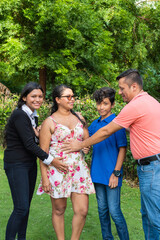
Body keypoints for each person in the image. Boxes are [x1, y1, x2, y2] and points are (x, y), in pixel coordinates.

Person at [62, 69, 160, 240]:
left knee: (153, 218)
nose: (120, 92)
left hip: (150, 167)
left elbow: (107, 131)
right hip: (149, 166)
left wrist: (81, 144)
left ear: (134, 86)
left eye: (122, 88)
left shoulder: (135, 105)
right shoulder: (150, 102)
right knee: (147, 215)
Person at [3, 82, 68, 240]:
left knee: (25, 208)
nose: (38, 99)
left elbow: (34, 140)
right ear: (24, 97)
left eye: (40, 96)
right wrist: (52, 160)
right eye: (33, 96)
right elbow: (29, 144)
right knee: (21, 208)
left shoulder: (34, 115)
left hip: (29, 164)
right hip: (16, 164)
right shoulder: (20, 115)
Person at [37, 84, 95, 240]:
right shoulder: (49, 122)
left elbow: (86, 140)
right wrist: (45, 178)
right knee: (59, 209)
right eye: (68, 96)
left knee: (82, 210)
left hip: (79, 170)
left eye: (73, 96)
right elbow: (42, 154)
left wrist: (85, 147)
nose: (72, 99)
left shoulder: (79, 118)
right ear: (57, 100)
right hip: (57, 170)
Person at [88, 87, 129, 240]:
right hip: (97, 174)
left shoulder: (116, 123)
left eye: (105, 103)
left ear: (112, 104)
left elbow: (122, 149)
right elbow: (87, 142)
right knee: (102, 210)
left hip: (112, 174)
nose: (101, 107)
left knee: (114, 211)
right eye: (99, 103)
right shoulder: (94, 124)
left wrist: (116, 173)